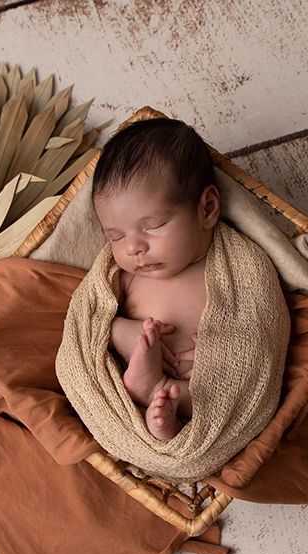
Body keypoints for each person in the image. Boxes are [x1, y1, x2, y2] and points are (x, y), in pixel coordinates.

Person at [90, 117, 220, 440]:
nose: (133, 247)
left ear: (207, 209)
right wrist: (132, 334)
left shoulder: (235, 268)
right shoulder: (122, 276)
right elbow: (91, 322)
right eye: (116, 236)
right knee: (124, 336)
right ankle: (151, 399)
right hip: (131, 379)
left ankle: (168, 426)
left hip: (197, 388)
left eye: (151, 226)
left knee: (207, 397)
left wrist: (221, 354)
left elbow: (258, 326)